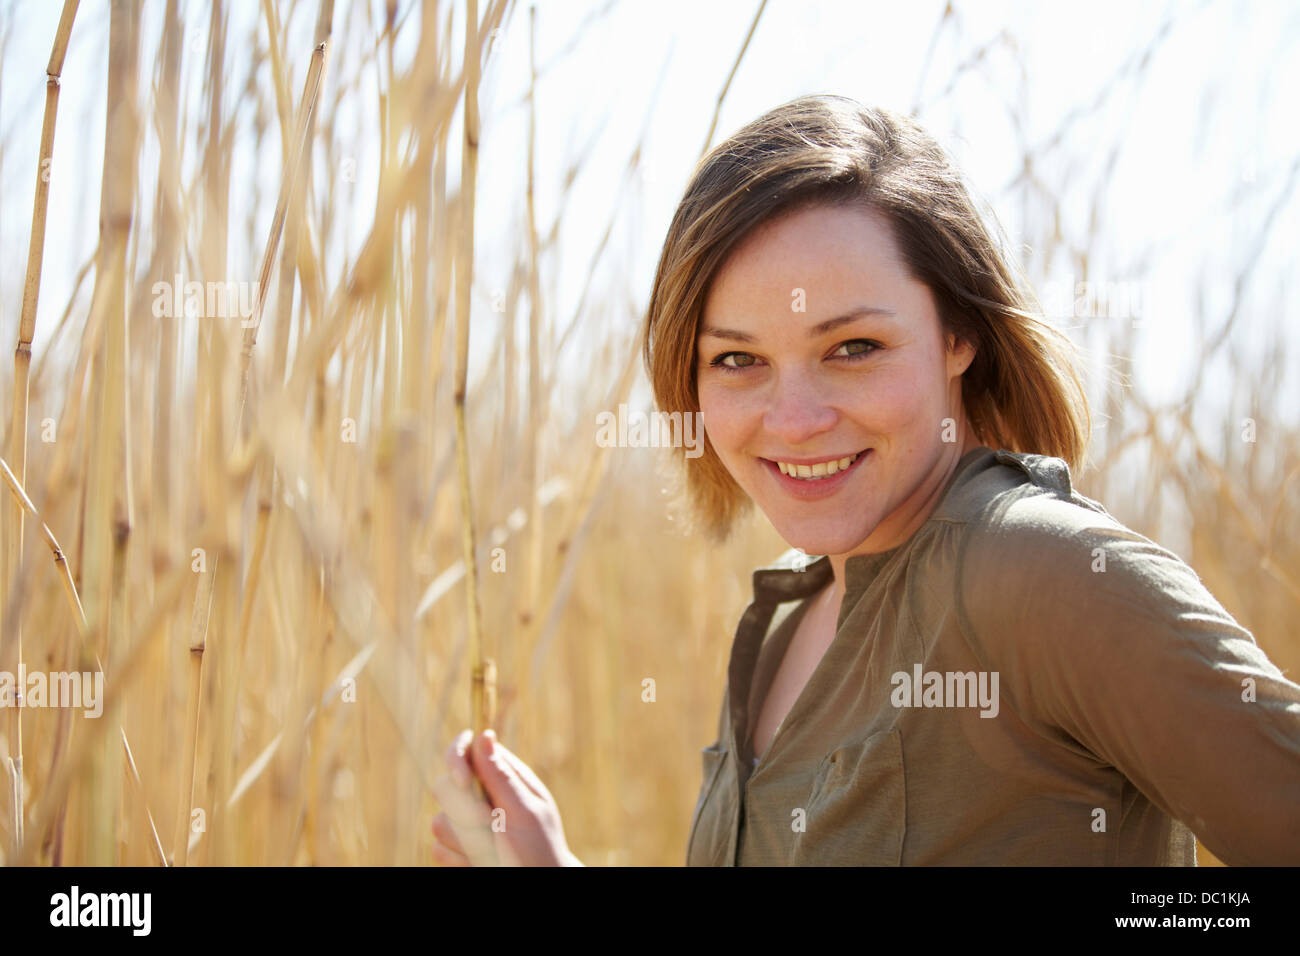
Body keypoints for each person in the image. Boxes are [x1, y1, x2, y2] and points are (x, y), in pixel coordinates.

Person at [430, 94, 1300, 867]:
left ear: (959, 334)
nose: (796, 418)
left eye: (853, 349)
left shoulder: (1040, 575)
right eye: (738, 359)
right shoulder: (780, 625)